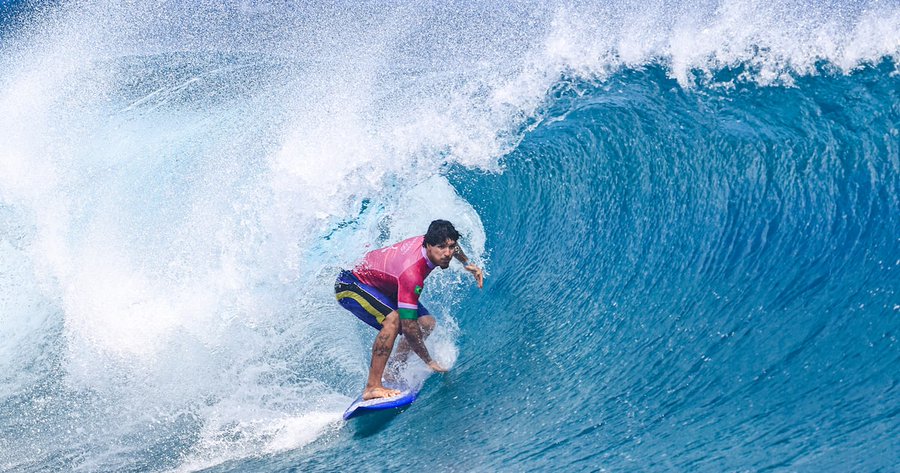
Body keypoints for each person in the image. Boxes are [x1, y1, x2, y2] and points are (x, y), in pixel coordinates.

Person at [334, 220, 484, 400]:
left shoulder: (432, 240)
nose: (447, 253)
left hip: (384, 285)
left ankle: (393, 370)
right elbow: (408, 327)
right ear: (428, 245)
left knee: (426, 323)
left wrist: (466, 263)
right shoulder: (412, 274)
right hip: (351, 283)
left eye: (450, 247)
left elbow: (451, 243)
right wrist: (429, 361)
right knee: (394, 320)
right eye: (441, 248)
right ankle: (372, 387)